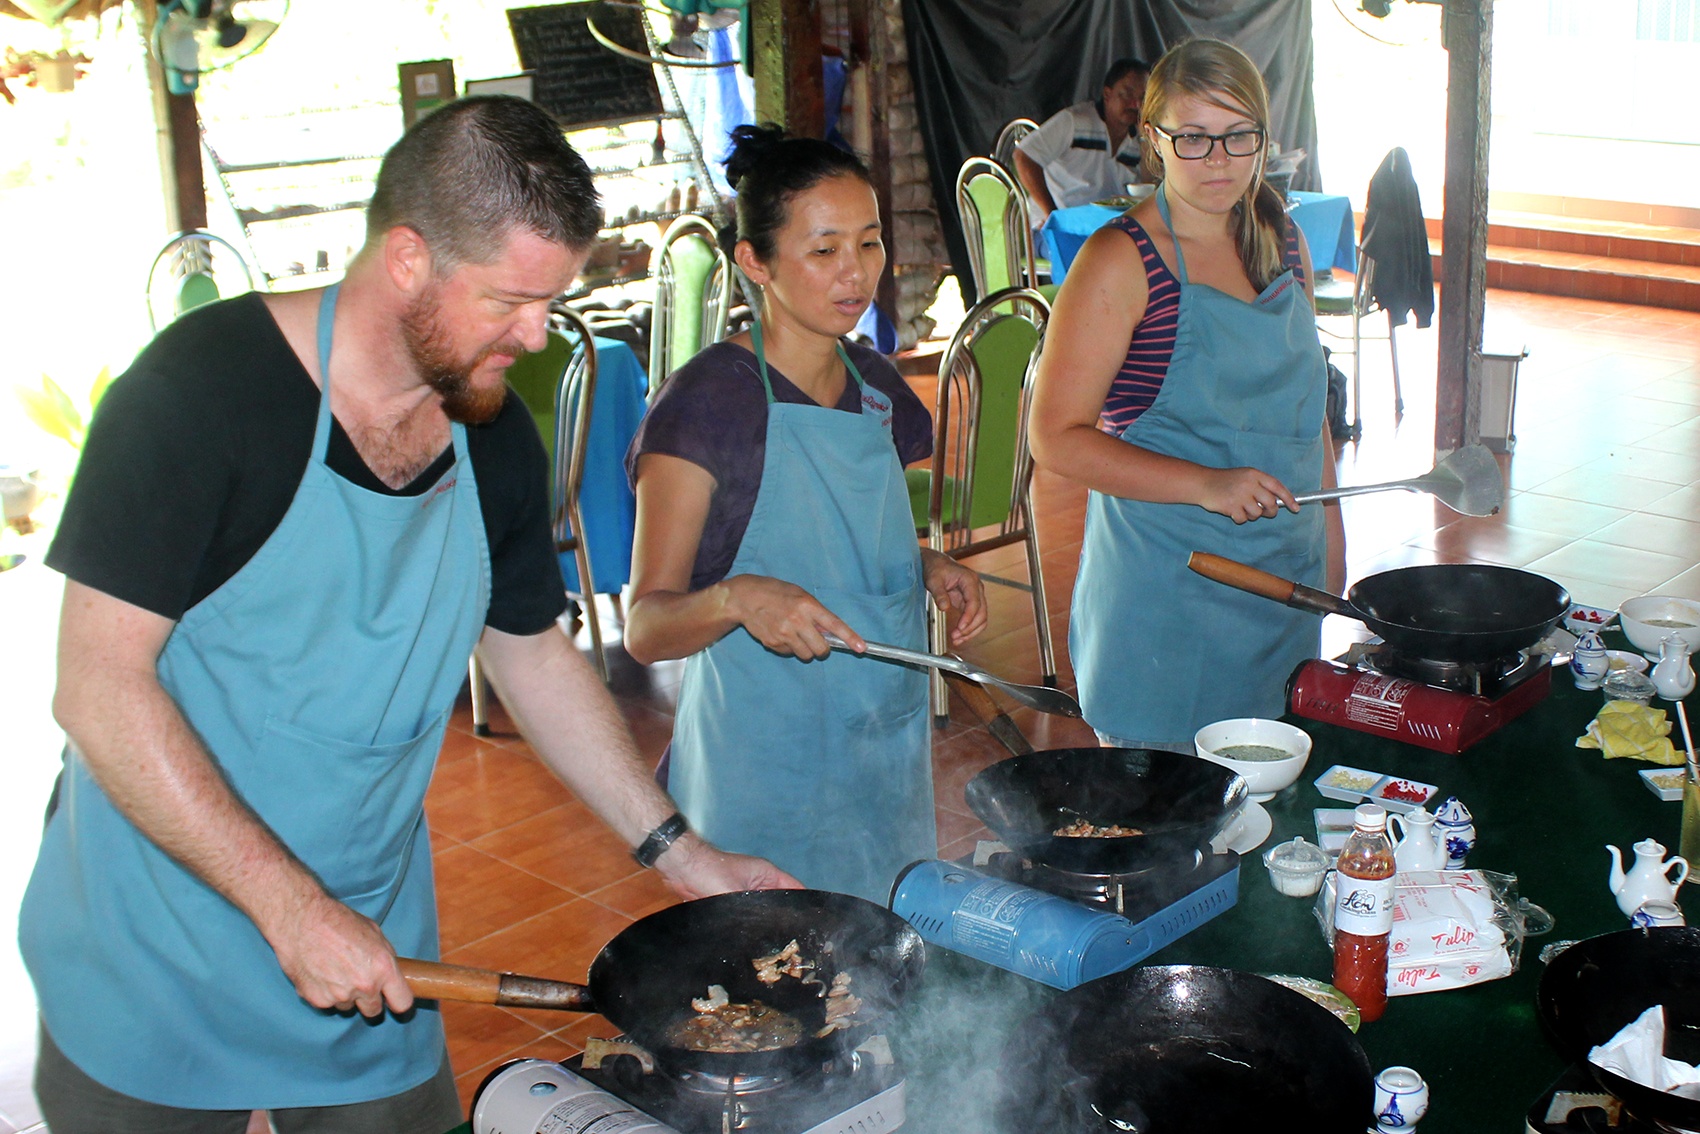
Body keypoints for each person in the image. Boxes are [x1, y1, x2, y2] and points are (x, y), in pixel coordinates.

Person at [20, 96, 796, 1134]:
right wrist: (289, 910)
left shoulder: (487, 439)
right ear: (405, 260)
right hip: (155, 942)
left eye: (551, 299)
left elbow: (528, 648)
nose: (536, 337)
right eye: (511, 301)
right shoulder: (202, 395)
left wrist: (680, 853)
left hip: (373, 936)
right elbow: (98, 687)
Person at [623, 124, 987, 904]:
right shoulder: (705, 408)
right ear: (755, 262)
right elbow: (647, 628)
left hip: (880, 751)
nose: (857, 274)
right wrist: (734, 598)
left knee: (882, 964)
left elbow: (857, 540)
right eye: (824, 250)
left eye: (869, 242)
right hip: (765, 768)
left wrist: (927, 568)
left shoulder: (878, 387)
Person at [1027, 39, 1347, 753]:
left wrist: (1331, 548)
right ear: (1154, 140)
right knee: (1167, 841)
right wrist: (1204, 483)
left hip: (1283, 594)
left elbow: (1307, 414)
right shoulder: (1122, 260)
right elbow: (1055, 438)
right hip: (1167, 609)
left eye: (1239, 137)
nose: (1219, 162)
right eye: (1194, 138)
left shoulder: (1281, 240)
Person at [1014, 57, 1150, 225]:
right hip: (1054, 226)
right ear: (1107, 94)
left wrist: (1146, 141)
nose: (1136, 104)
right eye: (1127, 93)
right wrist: (1051, 214)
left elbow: (1147, 188)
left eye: (1143, 98)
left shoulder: (1138, 140)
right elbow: (1023, 157)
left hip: (1105, 229)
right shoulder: (1075, 122)